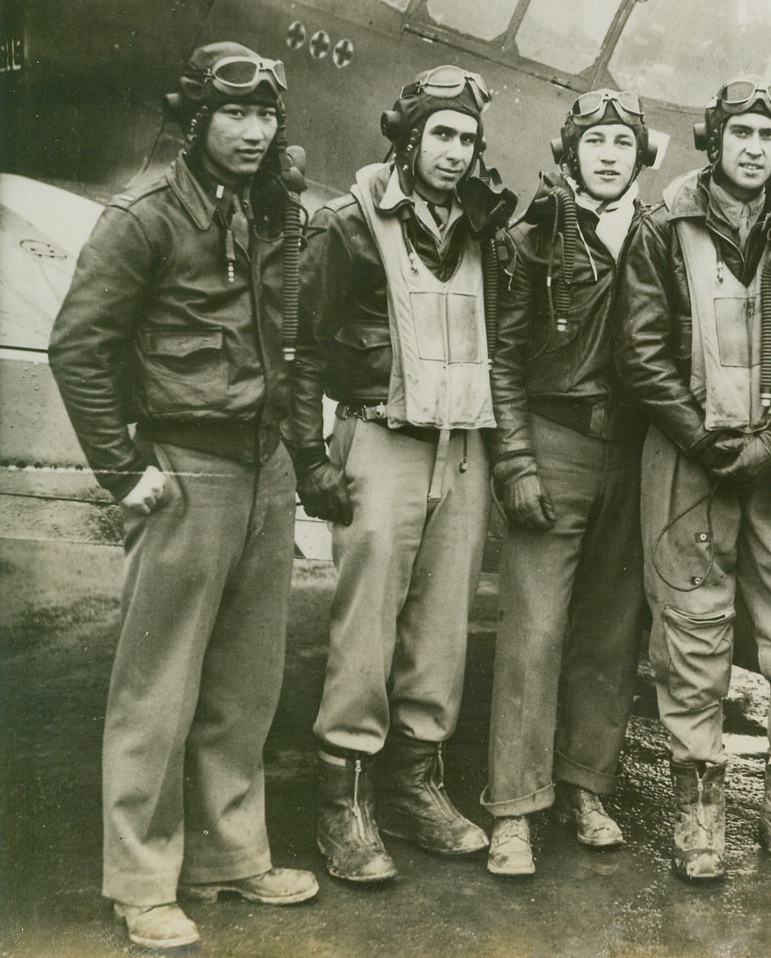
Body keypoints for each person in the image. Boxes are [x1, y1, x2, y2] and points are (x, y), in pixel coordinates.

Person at [48, 42, 318, 949]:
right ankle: (140, 881)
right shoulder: (145, 216)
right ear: (197, 120)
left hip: (263, 468)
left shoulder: (275, 212)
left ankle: (231, 858)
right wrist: (124, 470)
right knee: (156, 688)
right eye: (234, 115)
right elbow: (79, 347)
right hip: (184, 469)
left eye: (265, 116)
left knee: (247, 683)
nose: (252, 131)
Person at [287, 65, 514, 883]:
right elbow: (301, 349)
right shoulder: (345, 223)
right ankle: (342, 802)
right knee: (365, 625)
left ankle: (416, 786)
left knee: (444, 623)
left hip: (464, 445)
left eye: (467, 138)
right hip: (380, 437)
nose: (454, 153)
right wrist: (311, 458)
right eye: (441, 135)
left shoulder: (484, 227)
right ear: (410, 138)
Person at [616, 77, 771, 882]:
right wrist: (704, 441)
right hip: (690, 461)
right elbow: (640, 351)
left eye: (766, 135)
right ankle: (699, 811)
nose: (753, 147)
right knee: (691, 635)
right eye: (739, 132)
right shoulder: (661, 225)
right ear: (716, 142)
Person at [481, 90, 655, 877]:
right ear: (571, 152)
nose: (610, 154)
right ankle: (514, 808)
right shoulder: (531, 240)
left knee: (612, 633)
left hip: (637, 454)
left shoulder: (659, 240)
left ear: (640, 155)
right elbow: (504, 360)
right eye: (596, 142)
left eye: (623, 142)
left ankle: (585, 787)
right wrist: (515, 462)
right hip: (555, 444)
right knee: (536, 633)